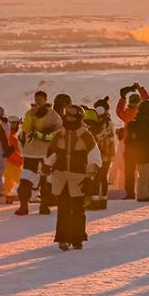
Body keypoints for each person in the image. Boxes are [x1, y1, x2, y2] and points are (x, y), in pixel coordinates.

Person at [45, 104, 102, 250]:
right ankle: (63, 239)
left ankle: (77, 238)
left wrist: (89, 178)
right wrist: (46, 168)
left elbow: (94, 158)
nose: (69, 118)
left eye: (72, 116)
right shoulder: (59, 134)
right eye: (67, 115)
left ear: (79, 118)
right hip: (61, 178)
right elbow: (52, 153)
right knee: (63, 209)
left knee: (77, 209)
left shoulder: (86, 136)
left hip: (79, 178)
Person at [17, 90, 62, 216]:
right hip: (30, 153)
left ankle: (44, 205)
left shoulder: (53, 115)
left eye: (41, 99)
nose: (38, 101)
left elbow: (59, 130)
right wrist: (32, 115)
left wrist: (46, 136)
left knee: (45, 180)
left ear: (45, 100)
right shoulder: (30, 113)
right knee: (26, 179)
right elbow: (25, 129)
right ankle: (23, 205)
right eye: (37, 99)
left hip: (45, 154)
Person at [116, 82, 149, 200]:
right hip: (142, 146)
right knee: (143, 170)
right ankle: (144, 192)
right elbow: (148, 102)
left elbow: (119, 112)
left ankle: (130, 193)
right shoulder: (143, 113)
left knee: (129, 171)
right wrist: (140, 89)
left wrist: (122, 97)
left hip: (129, 145)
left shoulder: (127, 114)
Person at [126, 100, 149, 202]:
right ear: (147, 110)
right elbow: (148, 139)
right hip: (142, 154)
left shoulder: (147, 121)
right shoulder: (143, 121)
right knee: (144, 175)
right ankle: (142, 196)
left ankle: (147, 193)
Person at [84, 98, 116, 210]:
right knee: (101, 178)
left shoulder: (104, 122)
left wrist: (90, 128)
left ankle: (96, 202)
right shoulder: (107, 121)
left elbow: (98, 136)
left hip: (103, 154)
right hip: (107, 153)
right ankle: (102, 201)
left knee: (98, 177)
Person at [4, 115, 23, 199]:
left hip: (8, 164)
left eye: (16, 124)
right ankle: (30, 195)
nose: (15, 126)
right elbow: (15, 152)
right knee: (23, 182)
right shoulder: (11, 137)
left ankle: (5, 194)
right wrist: (21, 160)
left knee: (8, 182)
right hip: (13, 164)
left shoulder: (12, 136)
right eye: (13, 124)